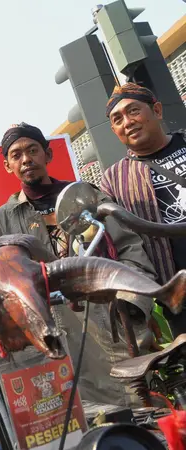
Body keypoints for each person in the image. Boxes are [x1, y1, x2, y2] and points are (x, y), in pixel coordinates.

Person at [0, 122, 158, 407]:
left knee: (135, 410)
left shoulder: (87, 197)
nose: (26, 159)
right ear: (8, 166)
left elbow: (130, 250)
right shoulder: (2, 221)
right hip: (51, 340)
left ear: (48, 155)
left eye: (32, 150)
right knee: (75, 423)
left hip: (108, 326)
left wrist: (131, 306)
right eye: (16, 155)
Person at [101, 82, 186, 335]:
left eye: (134, 111)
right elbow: (122, 246)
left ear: (157, 111)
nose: (127, 122)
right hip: (177, 296)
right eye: (118, 119)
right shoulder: (113, 179)